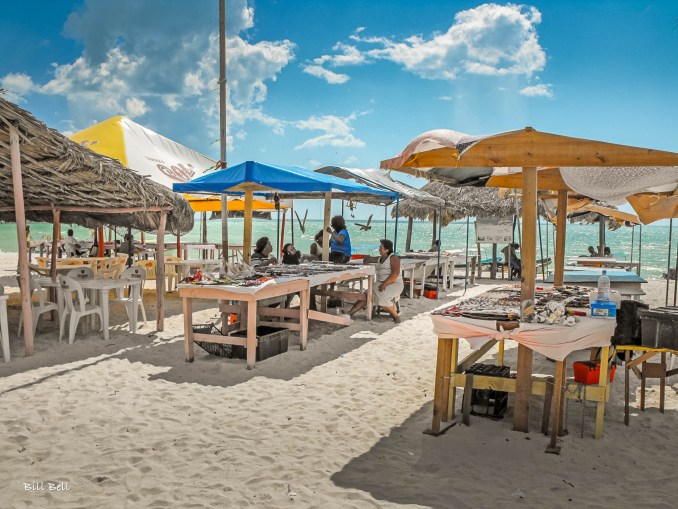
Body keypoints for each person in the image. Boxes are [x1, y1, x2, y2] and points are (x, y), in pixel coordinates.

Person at [348, 239, 403, 323]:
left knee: (383, 296)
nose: (379, 249)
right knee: (367, 294)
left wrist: (385, 284)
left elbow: (395, 273)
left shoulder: (394, 258)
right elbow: (369, 258)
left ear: (387, 250)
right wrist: (366, 259)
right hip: (380, 282)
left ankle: (396, 316)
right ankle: (350, 313)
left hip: (394, 283)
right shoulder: (380, 258)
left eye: (381, 247)